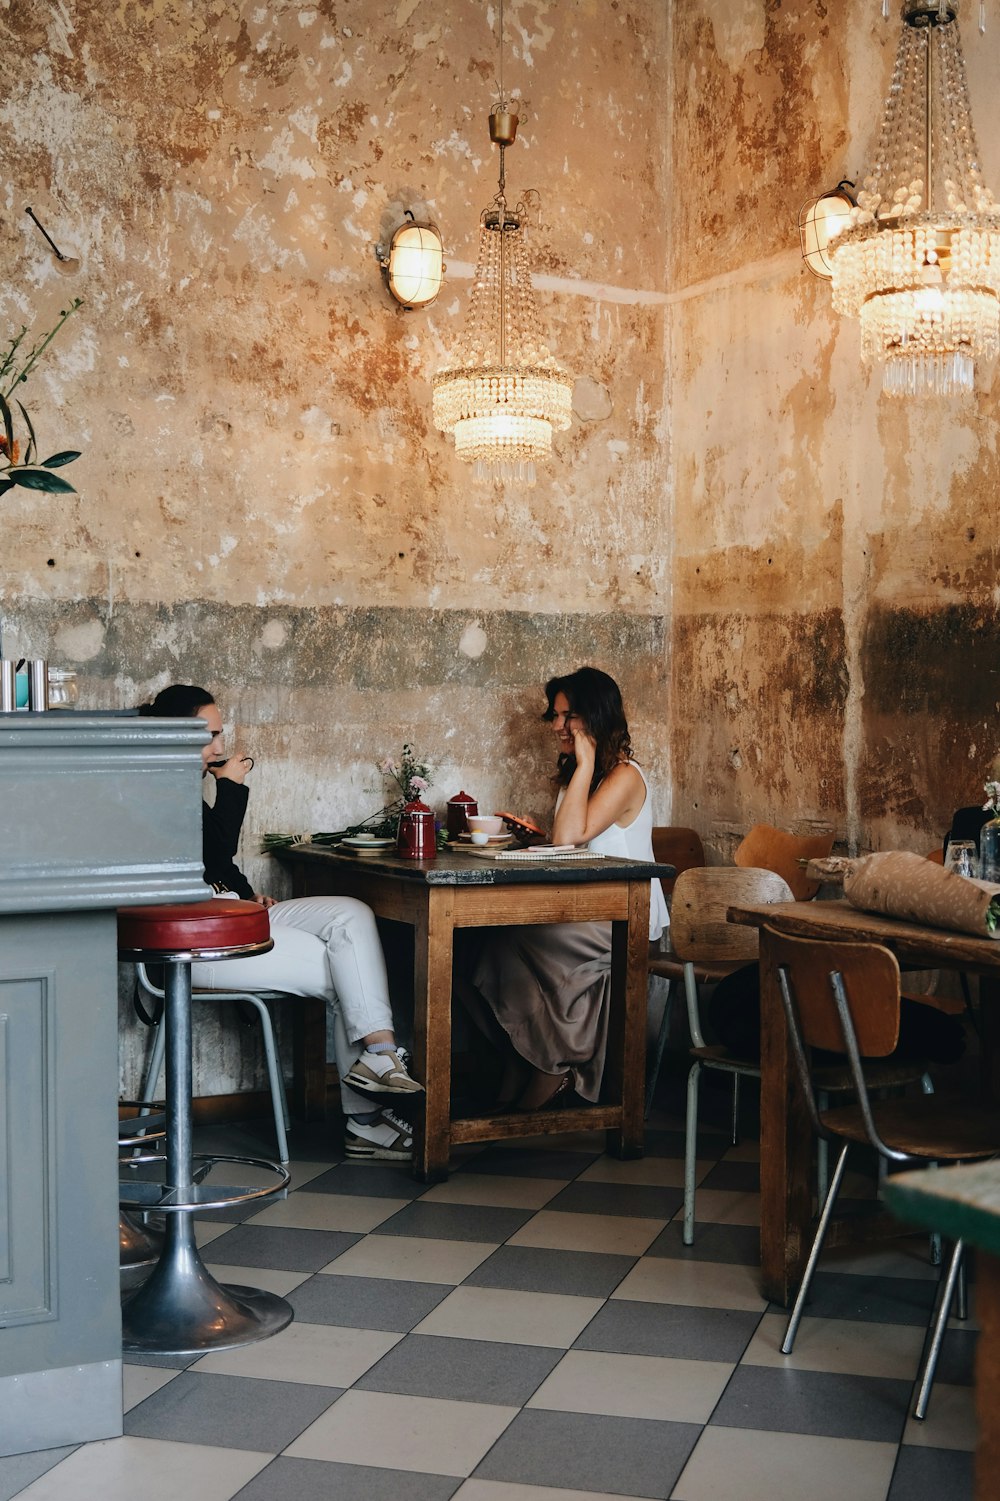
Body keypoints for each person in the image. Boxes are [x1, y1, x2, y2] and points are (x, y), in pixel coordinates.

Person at [137, 684, 422, 1160]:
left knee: (350, 914)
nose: (221, 747)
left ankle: (380, 1055)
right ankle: (365, 1122)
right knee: (341, 967)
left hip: (231, 915)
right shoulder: (151, 792)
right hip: (195, 942)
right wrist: (231, 787)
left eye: (219, 733)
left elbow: (216, 866)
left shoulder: (179, 787)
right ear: (172, 735)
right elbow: (211, 856)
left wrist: (246, 898)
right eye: (208, 736)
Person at [459, 666, 668, 1111]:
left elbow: (570, 838)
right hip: (587, 910)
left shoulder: (624, 775)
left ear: (594, 717)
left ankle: (548, 1065)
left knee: (507, 943)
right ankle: (527, 1055)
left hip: (627, 917)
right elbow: (567, 842)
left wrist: (587, 761)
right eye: (555, 716)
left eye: (567, 716)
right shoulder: (579, 775)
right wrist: (535, 841)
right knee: (475, 943)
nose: (557, 726)